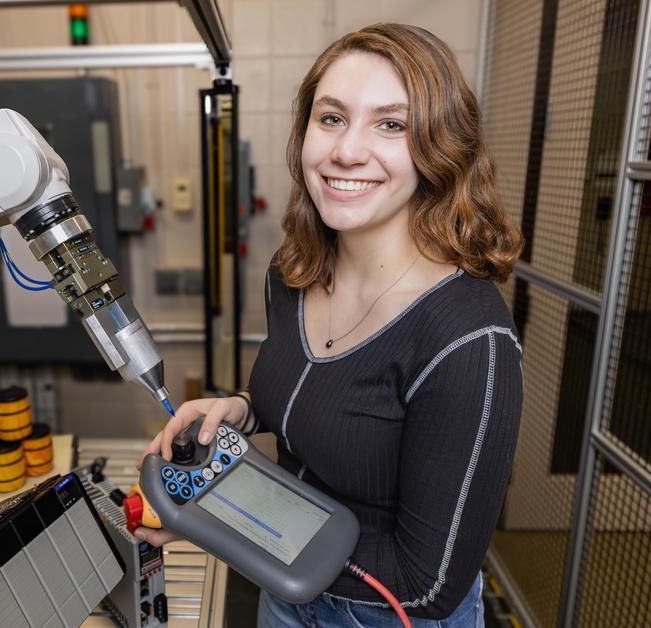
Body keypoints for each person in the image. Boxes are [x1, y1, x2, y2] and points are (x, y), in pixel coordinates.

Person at [136, 23, 523, 627]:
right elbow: (324, 402)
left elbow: (430, 586)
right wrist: (242, 409)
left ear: (440, 149)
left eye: (391, 124)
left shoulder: (469, 342)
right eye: (332, 117)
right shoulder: (293, 273)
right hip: (286, 595)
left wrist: (229, 523)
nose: (346, 151)